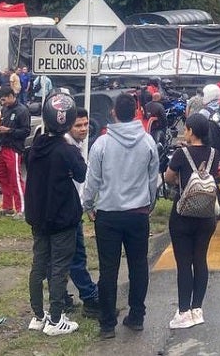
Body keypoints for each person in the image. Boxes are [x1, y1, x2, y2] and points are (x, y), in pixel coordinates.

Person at [82, 91, 159, 340]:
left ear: (113, 112)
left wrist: (87, 204)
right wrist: (149, 204)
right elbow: (152, 178)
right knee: (138, 266)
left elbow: (92, 179)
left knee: (108, 269)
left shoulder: (102, 144)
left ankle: (107, 324)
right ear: (136, 112)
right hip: (137, 213)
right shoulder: (147, 142)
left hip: (108, 215)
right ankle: (136, 316)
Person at [25, 89, 87, 337]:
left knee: (39, 265)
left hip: (38, 216)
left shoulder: (34, 147)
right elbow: (82, 174)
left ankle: (38, 316)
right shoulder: (67, 150)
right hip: (62, 217)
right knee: (59, 268)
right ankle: (56, 318)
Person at [163, 114, 218, 329]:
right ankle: (197, 309)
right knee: (200, 260)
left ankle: (183, 311)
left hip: (183, 216)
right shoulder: (214, 153)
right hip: (207, 216)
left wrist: (180, 178)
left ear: (191, 131)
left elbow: (168, 177)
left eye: (186, 129)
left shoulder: (180, 154)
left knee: (184, 264)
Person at [62, 109, 101, 319]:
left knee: (62, 258)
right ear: (68, 126)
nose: (84, 129)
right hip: (68, 212)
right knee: (76, 256)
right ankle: (90, 297)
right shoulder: (68, 148)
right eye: (78, 125)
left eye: (86, 124)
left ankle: (62, 298)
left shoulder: (74, 145)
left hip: (71, 208)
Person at [0, 87, 30, 216]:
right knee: (2, 177)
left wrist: (9, 130)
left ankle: (22, 209)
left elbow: (26, 131)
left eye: (3, 99)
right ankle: (7, 207)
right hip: (1, 147)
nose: (2, 102)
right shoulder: (3, 110)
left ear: (10, 96)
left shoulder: (22, 110)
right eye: (1, 100)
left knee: (15, 179)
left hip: (13, 148)